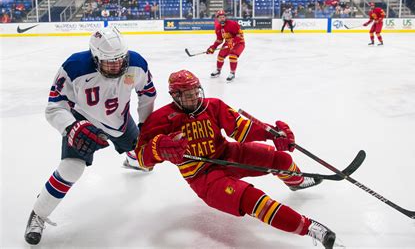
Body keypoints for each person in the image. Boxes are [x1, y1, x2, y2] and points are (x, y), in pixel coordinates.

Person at [134, 70, 336, 248]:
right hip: (203, 177)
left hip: (228, 154)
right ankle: (310, 228)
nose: (195, 98)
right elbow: (142, 158)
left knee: (281, 160)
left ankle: (297, 182)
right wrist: (157, 148)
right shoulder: (161, 119)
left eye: (197, 92)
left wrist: (272, 133)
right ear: (175, 95)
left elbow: (241, 128)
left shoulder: (213, 106)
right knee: (253, 200)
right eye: (188, 95)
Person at [24, 26, 157, 245]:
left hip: (120, 122)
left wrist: (145, 124)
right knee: (71, 169)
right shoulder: (74, 67)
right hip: (83, 122)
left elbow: (148, 94)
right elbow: (54, 107)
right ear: (95, 58)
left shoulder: (137, 63)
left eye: (120, 59)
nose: (117, 65)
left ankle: (133, 158)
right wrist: (70, 127)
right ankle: (38, 213)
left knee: (146, 155)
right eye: (109, 61)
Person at [206, 10, 245, 82]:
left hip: (239, 43)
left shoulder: (233, 24)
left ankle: (232, 73)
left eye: (223, 17)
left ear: (225, 17)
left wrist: (233, 42)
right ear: (217, 18)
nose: (222, 19)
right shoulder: (218, 27)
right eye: (220, 17)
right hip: (228, 43)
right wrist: (213, 47)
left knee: (233, 55)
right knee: (220, 56)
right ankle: (218, 70)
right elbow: (219, 40)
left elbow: (240, 35)